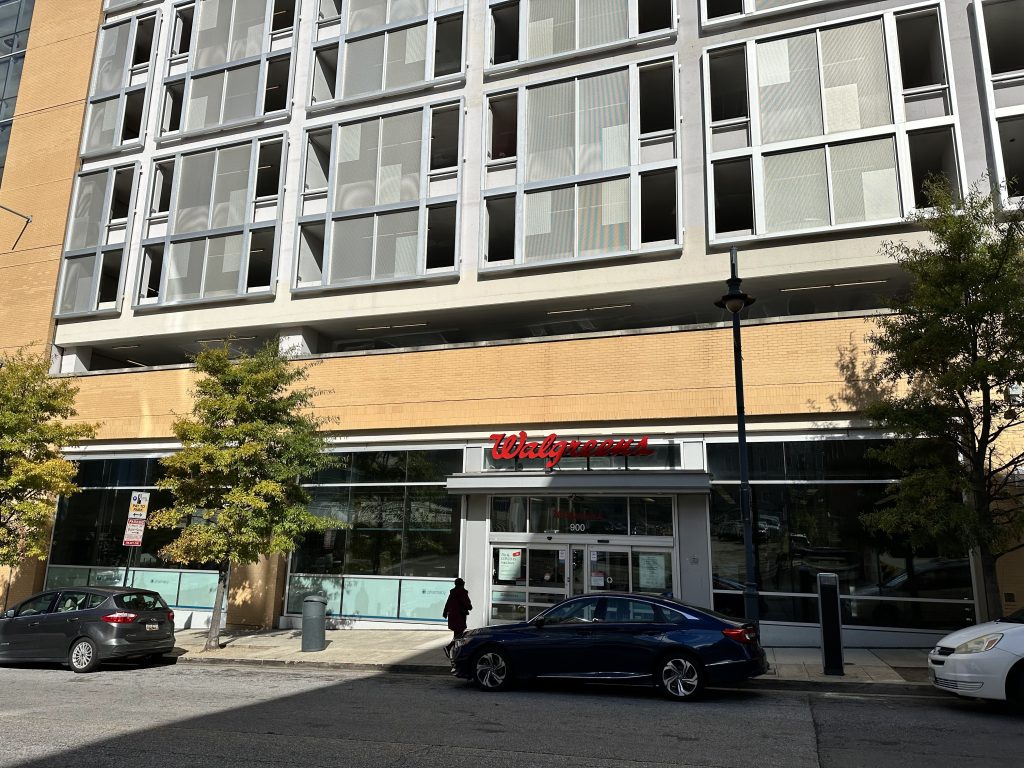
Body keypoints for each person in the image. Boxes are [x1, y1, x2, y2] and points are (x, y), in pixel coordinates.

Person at [442, 577, 472, 658]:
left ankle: (456, 650)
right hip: (459, 616)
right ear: (462, 584)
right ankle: (449, 648)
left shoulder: (453, 593)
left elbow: (448, 603)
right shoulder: (462, 592)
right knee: (459, 635)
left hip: (453, 616)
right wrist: (469, 607)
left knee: (457, 634)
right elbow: (466, 603)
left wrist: (445, 612)